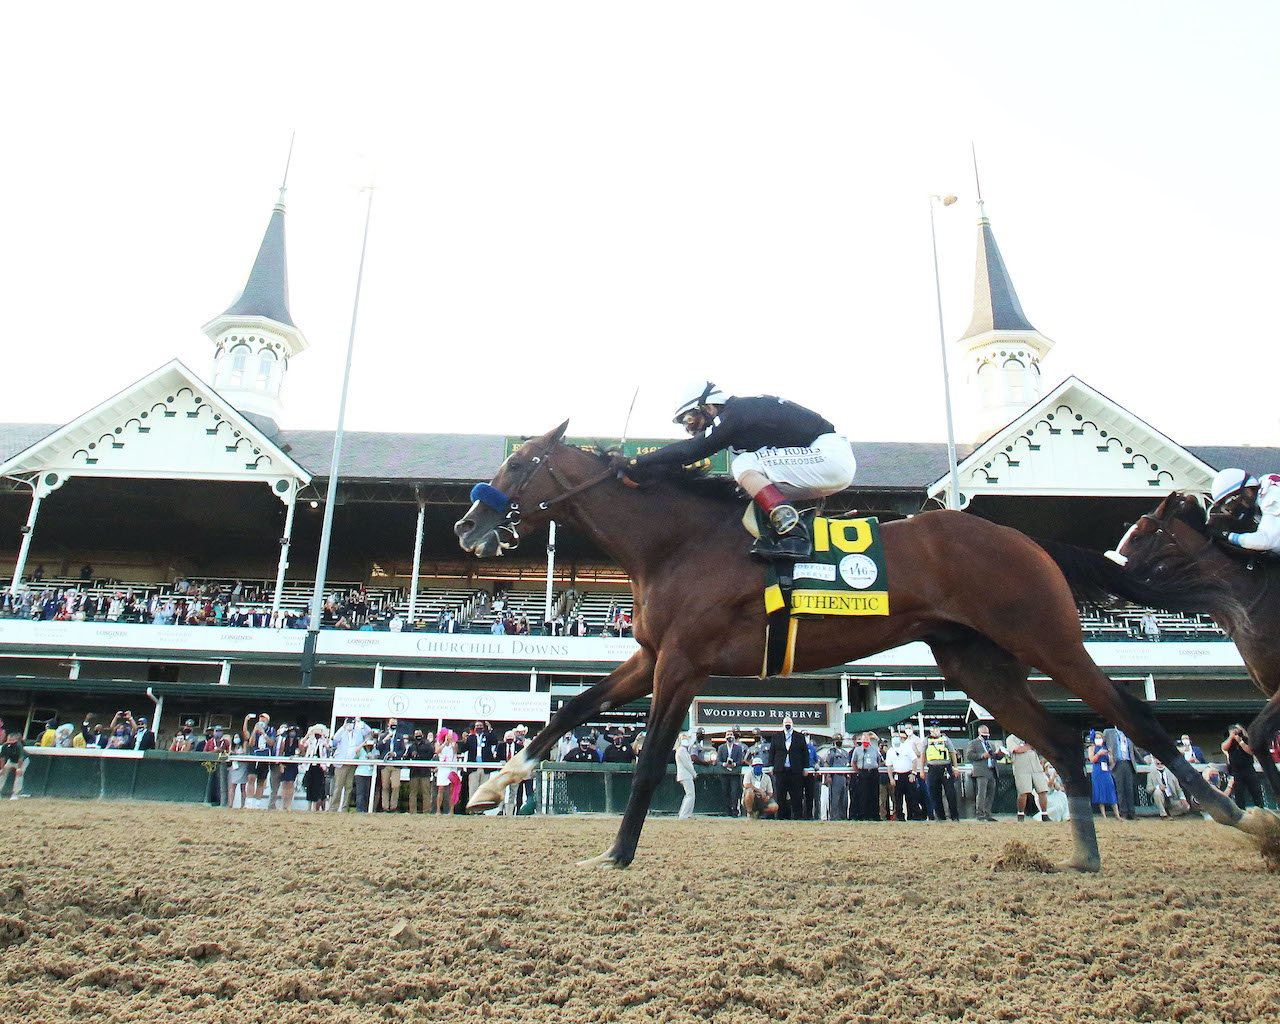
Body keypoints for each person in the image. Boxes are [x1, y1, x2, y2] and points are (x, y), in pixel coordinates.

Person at [622, 381, 856, 560]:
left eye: (690, 418)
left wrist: (636, 462)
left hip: (827, 456)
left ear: (709, 406)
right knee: (747, 489)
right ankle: (799, 530)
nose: (689, 427)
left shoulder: (736, 412)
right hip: (822, 461)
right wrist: (647, 470)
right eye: (684, 423)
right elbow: (683, 457)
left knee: (744, 465)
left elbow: (691, 451)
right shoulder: (739, 415)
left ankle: (794, 532)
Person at [1210, 468, 1280, 554]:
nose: (1232, 508)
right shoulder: (1264, 488)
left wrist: (1227, 535)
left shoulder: (1271, 499)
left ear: (1247, 491)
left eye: (1231, 501)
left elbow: (1266, 541)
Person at [1004, 733, 1051, 822]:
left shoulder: (1030, 736)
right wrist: (1030, 746)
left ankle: (1044, 814)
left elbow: (1041, 748)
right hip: (1022, 768)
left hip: (1036, 767)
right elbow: (1017, 749)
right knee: (1024, 792)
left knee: (1042, 790)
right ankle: (1021, 814)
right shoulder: (1011, 738)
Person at [769, 716, 810, 819]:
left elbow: (805, 753)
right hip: (781, 770)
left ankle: (797, 817)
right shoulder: (776, 736)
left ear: (792, 724)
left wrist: (806, 767)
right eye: (786, 722)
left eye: (789, 722)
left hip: (795, 770)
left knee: (797, 795)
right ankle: (781, 817)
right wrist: (771, 765)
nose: (787, 724)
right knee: (780, 795)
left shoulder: (799, 737)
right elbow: (772, 752)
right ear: (782, 724)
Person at [964, 725, 1004, 822]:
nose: (986, 736)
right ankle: (980, 814)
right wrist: (982, 755)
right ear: (979, 733)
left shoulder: (991, 744)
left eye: (987, 734)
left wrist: (999, 755)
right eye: (984, 734)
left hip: (992, 770)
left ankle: (987, 813)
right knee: (981, 793)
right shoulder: (973, 743)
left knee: (991, 793)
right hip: (981, 771)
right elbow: (969, 755)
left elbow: (995, 756)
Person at [1222, 723, 1265, 810]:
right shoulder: (1229, 741)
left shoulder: (1246, 739)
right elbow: (1224, 747)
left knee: (1255, 791)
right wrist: (1231, 737)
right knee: (1239, 793)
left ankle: (1260, 809)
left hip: (1248, 769)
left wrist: (1240, 742)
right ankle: (1241, 810)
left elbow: (1251, 751)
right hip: (1236, 770)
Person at [923, 726, 960, 822]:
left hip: (945, 767)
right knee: (935, 794)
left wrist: (955, 768)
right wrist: (922, 770)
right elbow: (923, 754)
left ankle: (954, 816)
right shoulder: (926, 740)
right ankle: (940, 816)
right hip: (932, 768)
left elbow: (952, 753)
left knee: (950, 792)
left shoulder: (945, 739)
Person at [1103, 725, 1140, 820]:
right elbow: (1102, 745)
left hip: (1128, 762)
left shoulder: (1128, 733)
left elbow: (1133, 750)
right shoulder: (1108, 732)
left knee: (1129, 788)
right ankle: (1123, 812)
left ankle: (1132, 812)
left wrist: (1142, 761)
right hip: (1117, 763)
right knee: (1120, 788)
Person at [1087, 730, 1120, 818]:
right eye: (1097, 738)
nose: (1098, 739)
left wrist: (1110, 756)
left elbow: (1111, 763)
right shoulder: (1092, 748)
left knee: (1111, 789)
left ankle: (1117, 814)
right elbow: (1092, 760)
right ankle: (1103, 814)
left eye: (1100, 738)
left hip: (1106, 770)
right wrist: (1098, 754)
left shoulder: (1105, 748)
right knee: (1099, 790)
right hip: (1097, 770)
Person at [820, 733, 851, 821]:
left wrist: (848, 775)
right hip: (835, 777)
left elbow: (847, 764)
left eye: (840, 740)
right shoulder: (831, 751)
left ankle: (843, 816)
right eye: (837, 741)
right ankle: (834, 817)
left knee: (844, 798)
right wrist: (828, 775)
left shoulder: (845, 752)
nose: (839, 742)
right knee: (835, 798)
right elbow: (827, 763)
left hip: (844, 777)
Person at [717, 731, 747, 816]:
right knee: (725, 791)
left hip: (734, 773)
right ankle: (727, 810)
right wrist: (724, 764)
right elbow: (718, 760)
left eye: (731, 735)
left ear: (734, 737)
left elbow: (740, 760)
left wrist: (735, 764)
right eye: (728, 735)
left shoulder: (738, 748)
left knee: (734, 792)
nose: (729, 736)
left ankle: (734, 810)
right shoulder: (721, 747)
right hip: (724, 773)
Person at [675, 732, 697, 819]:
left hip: (686, 775)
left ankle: (687, 814)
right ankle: (684, 814)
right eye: (683, 738)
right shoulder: (681, 750)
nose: (685, 739)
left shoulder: (684, 750)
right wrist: (694, 774)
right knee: (690, 794)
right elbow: (687, 764)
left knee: (690, 794)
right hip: (685, 775)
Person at [0, 730, 27, 799]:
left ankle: (15, 793)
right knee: (2, 774)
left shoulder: (19, 745)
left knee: (19, 775)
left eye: (12, 740)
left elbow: (21, 758)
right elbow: (2, 758)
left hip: (22, 762)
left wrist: (19, 768)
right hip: (11, 761)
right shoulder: (5, 746)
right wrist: (2, 769)